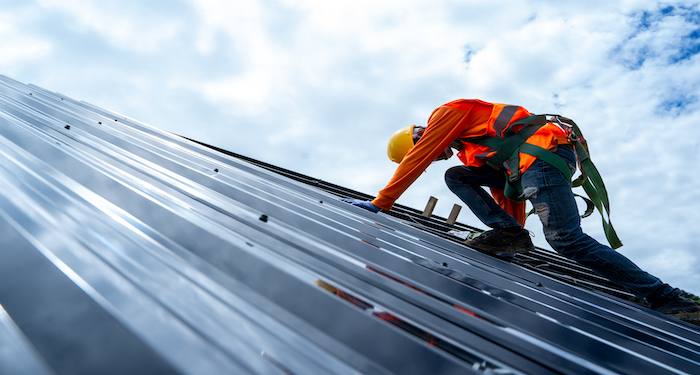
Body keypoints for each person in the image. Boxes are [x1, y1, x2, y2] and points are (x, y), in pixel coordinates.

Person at [343, 99, 700, 326]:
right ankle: (509, 235)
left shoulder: (446, 114)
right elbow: (506, 193)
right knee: (457, 176)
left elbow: (418, 160)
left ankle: (666, 297)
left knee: (566, 240)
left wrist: (381, 203)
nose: (438, 156)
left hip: (542, 157)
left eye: (431, 151)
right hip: (530, 164)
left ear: (419, 139)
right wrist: (512, 236)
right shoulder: (474, 150)